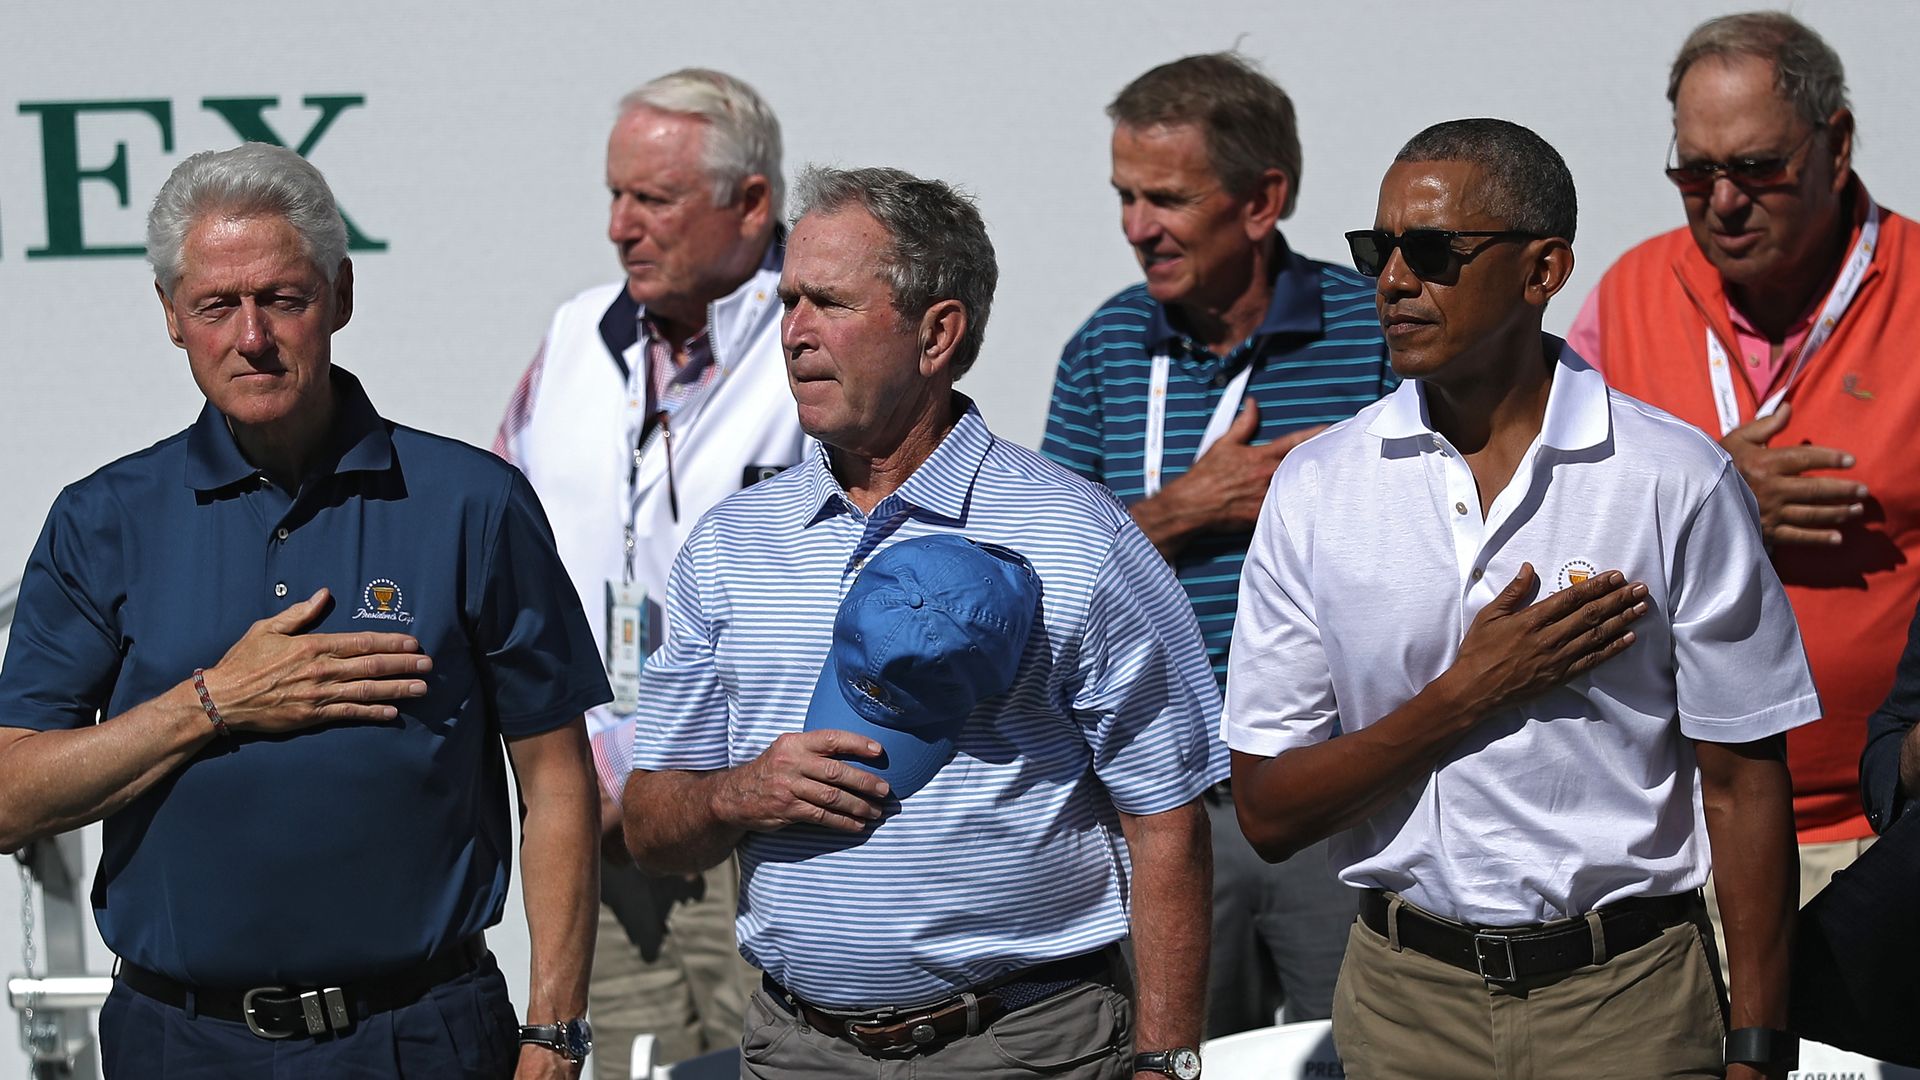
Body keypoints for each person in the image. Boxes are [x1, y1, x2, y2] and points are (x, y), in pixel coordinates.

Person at [0, 143, 608, 1078]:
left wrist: (555, 1032)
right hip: (179, 1043)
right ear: (171, 316)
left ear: (341, 295)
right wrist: (214, 703)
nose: (252, 335)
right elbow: (8, 795)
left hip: (423, 1037)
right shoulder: (102, 520)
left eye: (282, 298)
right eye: (216, 305)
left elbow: (559, 782)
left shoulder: (471, 504)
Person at [1226, 119, 1817, 1079]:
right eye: (1378, 250)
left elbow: (1746, 780)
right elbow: (1268, 809)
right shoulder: (1319, 485)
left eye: (1431, 252)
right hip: (1401, 1004)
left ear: (1543, 271)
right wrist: (1467, 695)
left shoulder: (1673, 478)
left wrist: (1757, 1046)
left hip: (1630, 1002)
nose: (1392, 281)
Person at [623, 165, 1222, 1080]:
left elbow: (1166, 816)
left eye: (829, 303)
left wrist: (1167, 1061)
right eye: (787, 301)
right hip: (796, 1050)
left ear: (938, 332)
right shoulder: (733, 544)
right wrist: (735, 794)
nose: (793, 334)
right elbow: (652, 825)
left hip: (1021, 1049)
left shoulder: (1075, 536)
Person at [1042, 52, 1391, 1033]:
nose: (1137, 227)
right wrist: (1192, 506)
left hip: (1334, 793)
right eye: (1125, 196)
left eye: (1167, 197)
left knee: (1355, 1048)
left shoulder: (1374, 332)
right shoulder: (1107, 345)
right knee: (1178, 1053)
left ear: (1261, 199)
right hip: (1163, 805)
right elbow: (1040, 576)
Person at [1569, 11, 1920, 901]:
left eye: (1759, 168)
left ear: (1834, 146)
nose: (1723, 201)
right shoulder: (1630, 295)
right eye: (1696, 171)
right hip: (1678, 836)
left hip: (1878, 831)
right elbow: (1550, 548)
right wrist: (1711, 506)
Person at [493, 68, 796, 1073]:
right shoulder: (579, 332)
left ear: (751, 203)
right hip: (599, 821)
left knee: (778, 1061)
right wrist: (578, 768)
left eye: (653, 200)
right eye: (615, 196)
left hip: (767, 824)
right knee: (625, 1062)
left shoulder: (819, 336)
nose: (622, 227)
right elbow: (507, 555)